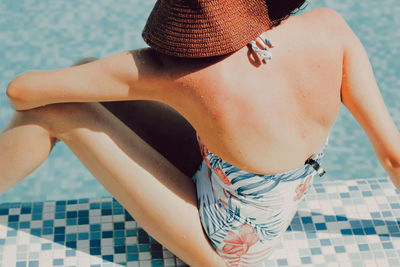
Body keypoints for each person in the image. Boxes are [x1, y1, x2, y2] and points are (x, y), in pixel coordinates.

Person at [1, 0, 400, 266]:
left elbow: (21, 92)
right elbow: (393, 157)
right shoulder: (331, 29)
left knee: (56, 110)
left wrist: (143, 67)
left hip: (223, 247)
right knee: (92, 75)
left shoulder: (176, 74)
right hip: (251, 195)